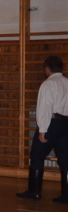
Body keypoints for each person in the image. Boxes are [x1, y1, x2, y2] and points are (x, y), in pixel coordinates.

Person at [17, 56, 68, 203]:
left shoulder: (48, 84)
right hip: (66, 124)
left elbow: (45, 108)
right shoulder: (67, 82)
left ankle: (34, 191)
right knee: (65, 159)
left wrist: (42, 130)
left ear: (47, 69)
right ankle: (66, 195)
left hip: (52, 123)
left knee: (37, 155)